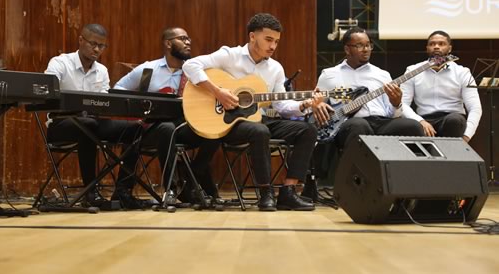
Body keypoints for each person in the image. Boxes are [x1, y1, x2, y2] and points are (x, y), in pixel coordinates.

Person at [183, 13, 317, 211]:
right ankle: (266, 193)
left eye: (277, 42)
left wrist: (305, 105)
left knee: (307, 130)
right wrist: (218, 92)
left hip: (256, 120)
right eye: (268, 40)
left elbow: (281, 106)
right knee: (259, 131)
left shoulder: (275, 68)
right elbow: (190, 65)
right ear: (253, 36)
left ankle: (288, 192)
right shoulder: (230, 55)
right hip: (228, 123)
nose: (273, 46)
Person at [114, 27, 220, 202]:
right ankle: (171, 188)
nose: (188, 42)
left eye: (189, 39)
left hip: (185, 127)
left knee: (216, 129)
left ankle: (193, 172)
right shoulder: (149, 69)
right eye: (182, 39)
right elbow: (118, 89)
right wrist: (137, 109)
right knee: (166, 128)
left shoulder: (193, 72)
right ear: (168, 43)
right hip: (153, 130)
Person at [45, 23, 142, 208]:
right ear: (81, 40)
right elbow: (48, 91)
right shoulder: (60, 63)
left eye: (102, 46)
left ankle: (122, 191)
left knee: (135, 129)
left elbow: (104, 103)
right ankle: (90, 192)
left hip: (94, 123)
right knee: (87, 125)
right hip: (61, 125)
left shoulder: (102, 71)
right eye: (93, 44)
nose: (97, 49)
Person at [312, 26, 424, 151]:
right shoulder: (329, 75)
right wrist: (317, 105)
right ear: (347, 49)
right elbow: (317, 103)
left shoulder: (382, 74)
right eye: (360, 45)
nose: (366, 49)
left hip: (381, 122)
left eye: (368, 45)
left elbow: (392, 114)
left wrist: (396, 103)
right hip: (350, 123)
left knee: (413, 126)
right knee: (359, 125)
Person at [400, 30, 482, 142]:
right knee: (408, 125)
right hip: (424, 120)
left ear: (450, 48)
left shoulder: (462, 72)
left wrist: (467, 136)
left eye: (441, 44)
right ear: (427, 48)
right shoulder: (412, 70)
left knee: (454, 120)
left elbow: (475, 108)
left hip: (452, 119)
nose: (436, 47)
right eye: (432, 44)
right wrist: (420, 121)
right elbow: (402, 103)